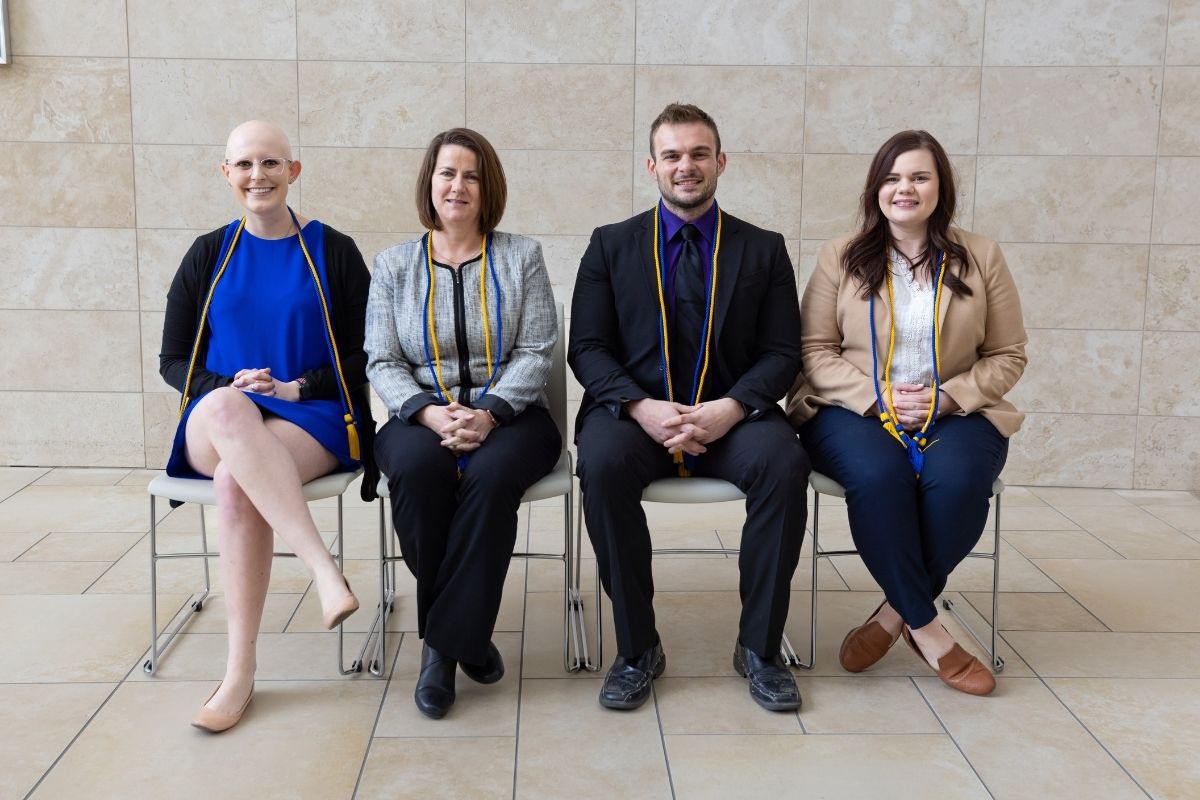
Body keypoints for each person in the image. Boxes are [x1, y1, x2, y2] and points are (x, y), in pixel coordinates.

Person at [569, 103, 810, 713]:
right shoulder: (609, 245)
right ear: (653, 165)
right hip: (635, 415)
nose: (686, 166)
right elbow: (587, 348)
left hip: (733, 417)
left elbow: (782, 353)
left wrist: (731, 408)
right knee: (600, 464)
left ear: (720, 162)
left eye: (699, 154)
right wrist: (640, 407)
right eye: (672, 155)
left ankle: (759, 647)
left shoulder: (764, 249)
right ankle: (636, 648)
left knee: (785, 465)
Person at [787, 129, 1027, 696]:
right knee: (878, 477)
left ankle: (894, 615)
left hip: (956, 409)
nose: (905, 188)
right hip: (853, 407)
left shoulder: (982, 255)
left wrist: (947, 397)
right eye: (893, 178)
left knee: (962, 481)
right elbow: (812, 350)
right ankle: (933, 633)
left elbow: (1008, 354)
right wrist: (879, 395)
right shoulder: (840, 255)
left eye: (919, 176)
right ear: (876, 189)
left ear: (940, 188)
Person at [159, 120, 376, 732]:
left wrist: (295, 387)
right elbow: (174, 359)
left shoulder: (333, 250)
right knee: (229, 412)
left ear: (294, 171)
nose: (259, 176)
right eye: (245, 165)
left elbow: (366, 352)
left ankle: (239, 672)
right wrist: (224, 387)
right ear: (226, 173)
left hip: (308, 415)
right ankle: (322, 569)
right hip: (219, 417)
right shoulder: (207, 253)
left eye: (272, 163)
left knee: (235, 482)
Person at [367, 128, 560, 720]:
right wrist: (427, 412)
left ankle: (441, 651)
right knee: (418, 475)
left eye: (471, 175)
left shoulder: (520, 255)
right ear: (430, 182)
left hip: (513, 415)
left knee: (490, 478)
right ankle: (467, 637)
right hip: (419, 415)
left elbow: (537, 349)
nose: (458, 186)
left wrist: (490, 413)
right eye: (447, 173)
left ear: (488, 187)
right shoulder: (394, 264)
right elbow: (382, 358)